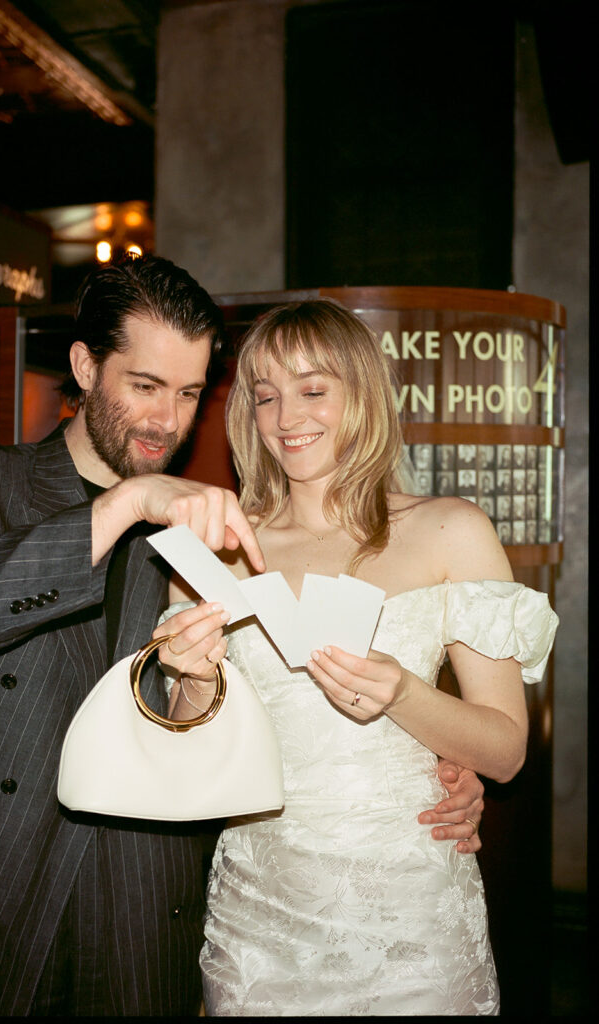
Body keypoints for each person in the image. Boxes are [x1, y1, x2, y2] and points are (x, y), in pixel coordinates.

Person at [0, 260, 485, 1017]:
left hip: (141, 902)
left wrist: (433, 767)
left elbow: (235, 718)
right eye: (145, 386)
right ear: (85, 366)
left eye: (190, 393)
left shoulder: (209, 528)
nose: (168, 419)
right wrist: (131, 500)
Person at [155, 299, 558, 1016]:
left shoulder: (449, 530)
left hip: (411, 919)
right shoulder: (215, 550)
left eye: (313, 390)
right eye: (266, 396)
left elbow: (506, 752)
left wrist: (403, 693)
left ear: (363, 395)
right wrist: (190, 678)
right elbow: (192, 767)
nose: (286, 418)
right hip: (259, 918)